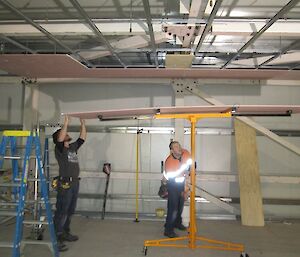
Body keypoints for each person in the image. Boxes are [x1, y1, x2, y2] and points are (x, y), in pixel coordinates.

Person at [52, 115, 86, 251]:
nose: (66, 134)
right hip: (65, 184)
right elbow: (60, 138)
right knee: (62, 211)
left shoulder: (72, 148)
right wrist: (65, 123)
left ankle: (65, 232)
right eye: (64, 133)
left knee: (70, 211)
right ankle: (57, 237)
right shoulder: (59, 149)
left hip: (74, 184)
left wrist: (83, 124)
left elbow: (82, 139)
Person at [163, 141, 191, 238]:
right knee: (173, 208)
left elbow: (190, 165)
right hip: (173, 185)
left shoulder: (186, 153)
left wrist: (190, 173)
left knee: (180, 205)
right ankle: (168, 230)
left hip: (181, 184)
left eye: (179, 145)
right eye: (175, 146)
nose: (178, 147)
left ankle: (177, 223)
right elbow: (171, 176)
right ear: (171, 150)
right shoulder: (169, 162)